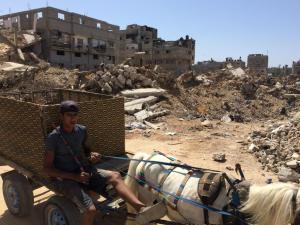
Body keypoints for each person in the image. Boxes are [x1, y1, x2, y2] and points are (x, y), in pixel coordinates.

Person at [43, 100, 146, 225]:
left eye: (75, 115)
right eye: (69, 115)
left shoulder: (81, 130)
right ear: (61, 116)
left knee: (115, 176)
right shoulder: (53, 138)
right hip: (67, 179)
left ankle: (141, 208)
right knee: (91, 210)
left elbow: (86, 151)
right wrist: (75, 177)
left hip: (85, 171)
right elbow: (47, 169)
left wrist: (92, 156)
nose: (73, 118)